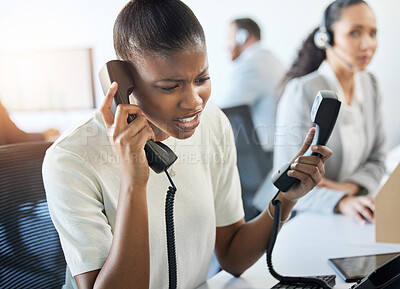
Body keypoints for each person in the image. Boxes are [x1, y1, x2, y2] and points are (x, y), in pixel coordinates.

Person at [42, 1, 332, 288]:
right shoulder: (70, 158)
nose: (194, 101)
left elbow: (232, 254)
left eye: (202, 78)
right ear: (124, 82)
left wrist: (286, 198)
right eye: (170, 86)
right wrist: (133, 181)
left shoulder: (214, 123)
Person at [274, 0, 386, 224]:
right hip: (304, 216)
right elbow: (290, 180)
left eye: (373, 33)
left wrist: (347, 188)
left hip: (355, 211)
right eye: (354, 33)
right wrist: (341, 201)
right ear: (326, 38)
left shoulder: (370, 84)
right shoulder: (301, 92)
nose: (367, 44)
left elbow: (377, 158)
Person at [218, 18, 286, 152]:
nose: (226, 46)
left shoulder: (252, 66)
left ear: (242, 37)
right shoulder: (270, 59)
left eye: (229, 38)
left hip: (262, 151)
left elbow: (226, 109)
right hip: (275, 145)